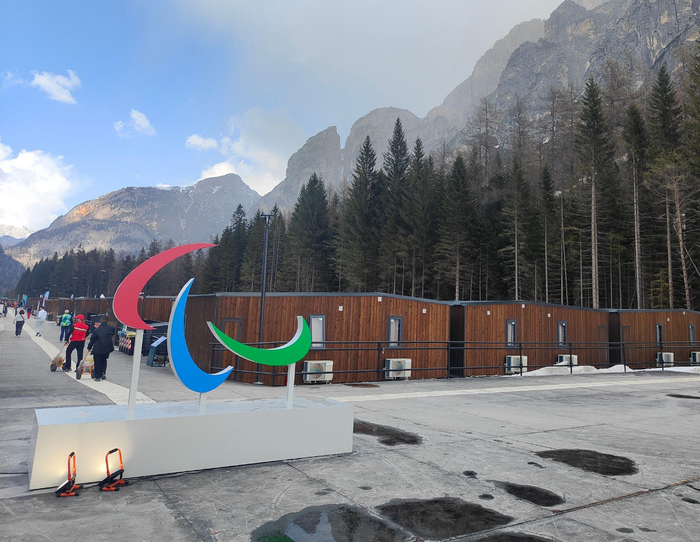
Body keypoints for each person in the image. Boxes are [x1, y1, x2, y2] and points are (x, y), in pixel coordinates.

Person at [87, 316, 115, 381]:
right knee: (104, 360)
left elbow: (92, 339)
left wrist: (89, 347)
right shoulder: (111, 328)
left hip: (98, 347)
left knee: (97, 362)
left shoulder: (97, 330)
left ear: (101, 321)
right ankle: (103, 373)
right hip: (107, 348)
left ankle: (98, 376)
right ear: (108, 321)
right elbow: (112, 334)